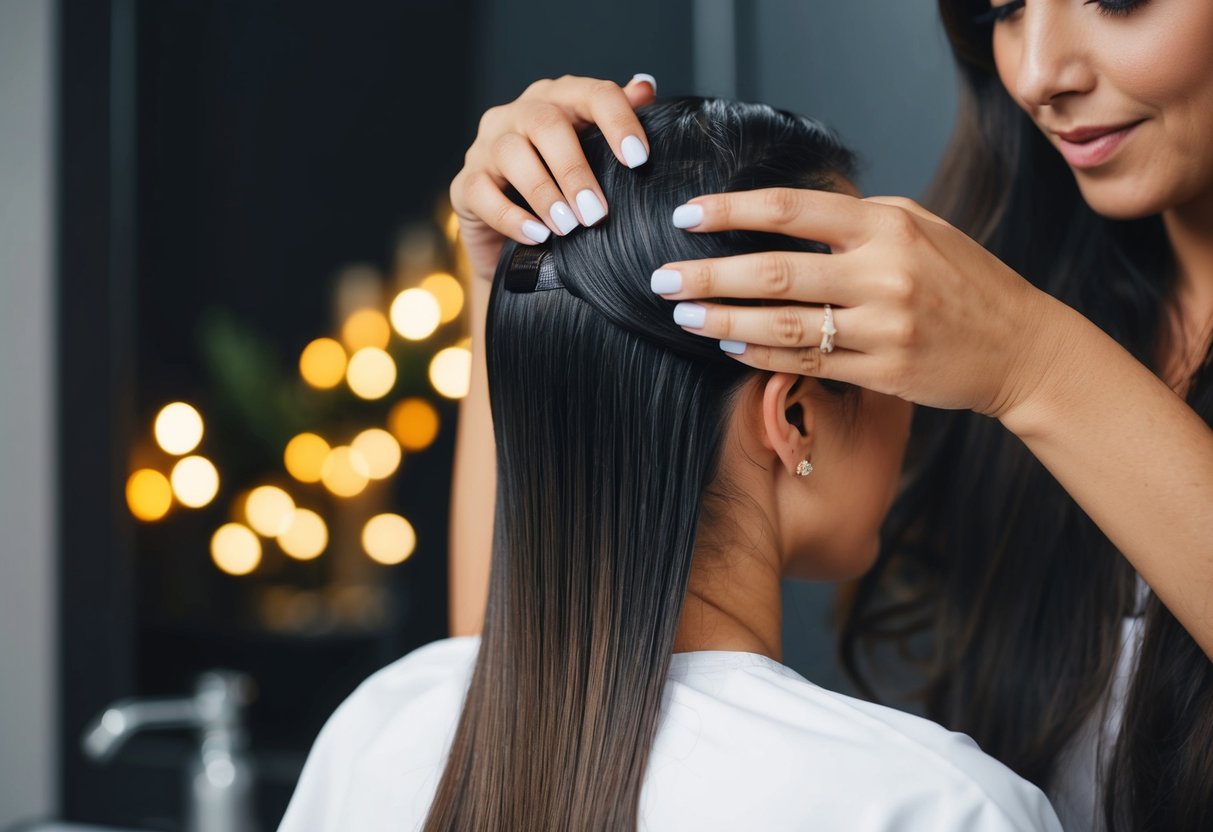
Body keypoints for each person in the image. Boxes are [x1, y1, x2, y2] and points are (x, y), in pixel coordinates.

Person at [446, 4, 1213, 831]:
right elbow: (511, 674)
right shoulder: (983, 284)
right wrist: (510, 268)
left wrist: (1038, 366)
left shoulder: (1003, 335)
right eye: (1001, 9)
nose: (1034, 75)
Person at [279, 98, 1061, 831]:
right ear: (792, 415)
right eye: (885, 341)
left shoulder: (380, 732)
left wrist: (494, 278)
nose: (913, 396)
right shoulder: (932, 806)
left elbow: (479, 653)